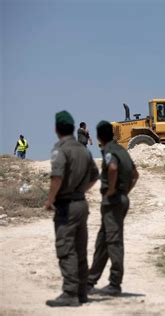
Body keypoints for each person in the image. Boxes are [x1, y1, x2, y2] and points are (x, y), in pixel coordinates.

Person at [44, 111, 99, 307]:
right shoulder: (84, 150)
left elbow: (57, 176)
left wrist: (50, 200)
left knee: (66, 248)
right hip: (81, 204)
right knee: (80, 249)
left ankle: (70, 293)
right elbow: (95, 175)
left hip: (66, 205)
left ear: (56, 130)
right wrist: (80, 190)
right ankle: (82, 292)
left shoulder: (61, 149)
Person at [87, 120, 139, 296]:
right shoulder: (122, 151)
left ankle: (115, 284)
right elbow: (135, 174)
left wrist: (111, 191)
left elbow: (113, 168)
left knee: (114, 241)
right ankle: (90, 281)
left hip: (113, 201)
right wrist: (125, 192)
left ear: (99, 136)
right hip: (121, 198)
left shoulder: (109, 151)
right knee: (103, 240)